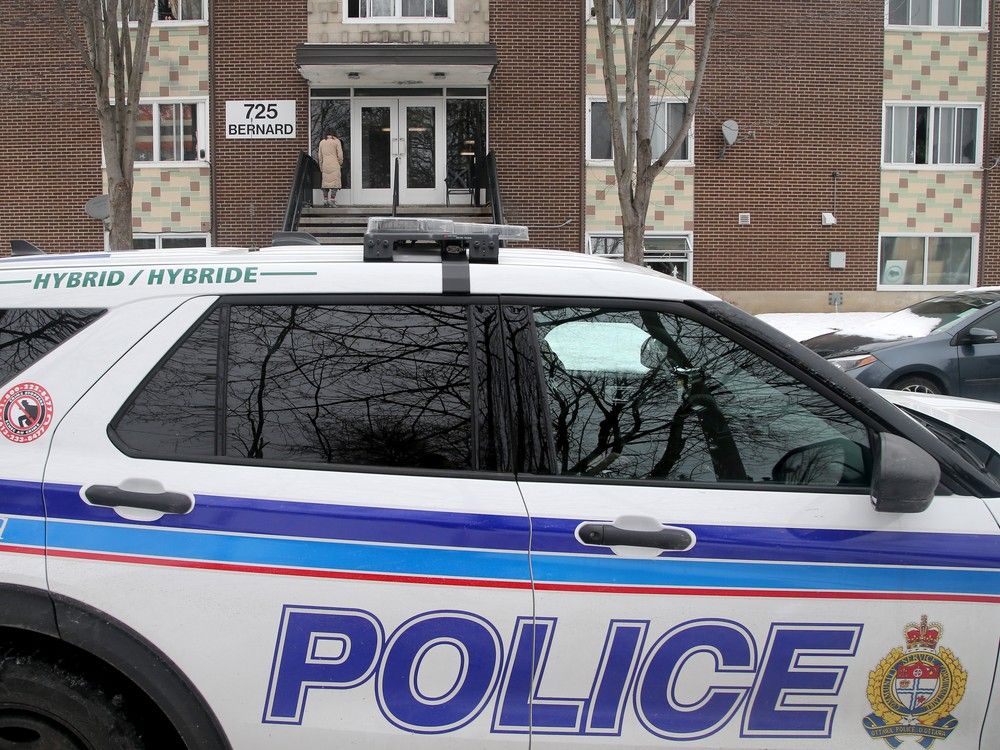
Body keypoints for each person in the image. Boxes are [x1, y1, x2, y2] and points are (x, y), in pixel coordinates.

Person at [318, 131, 344, 206]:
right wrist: (340, 163)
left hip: (325, 165)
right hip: (334, 165)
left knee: (325, 184)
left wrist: (321, 166)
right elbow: (340, 155)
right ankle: (332, 200)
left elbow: (320, 156)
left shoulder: (322, 142)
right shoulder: (336, 141)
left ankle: (325, 201)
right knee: (334, 184)